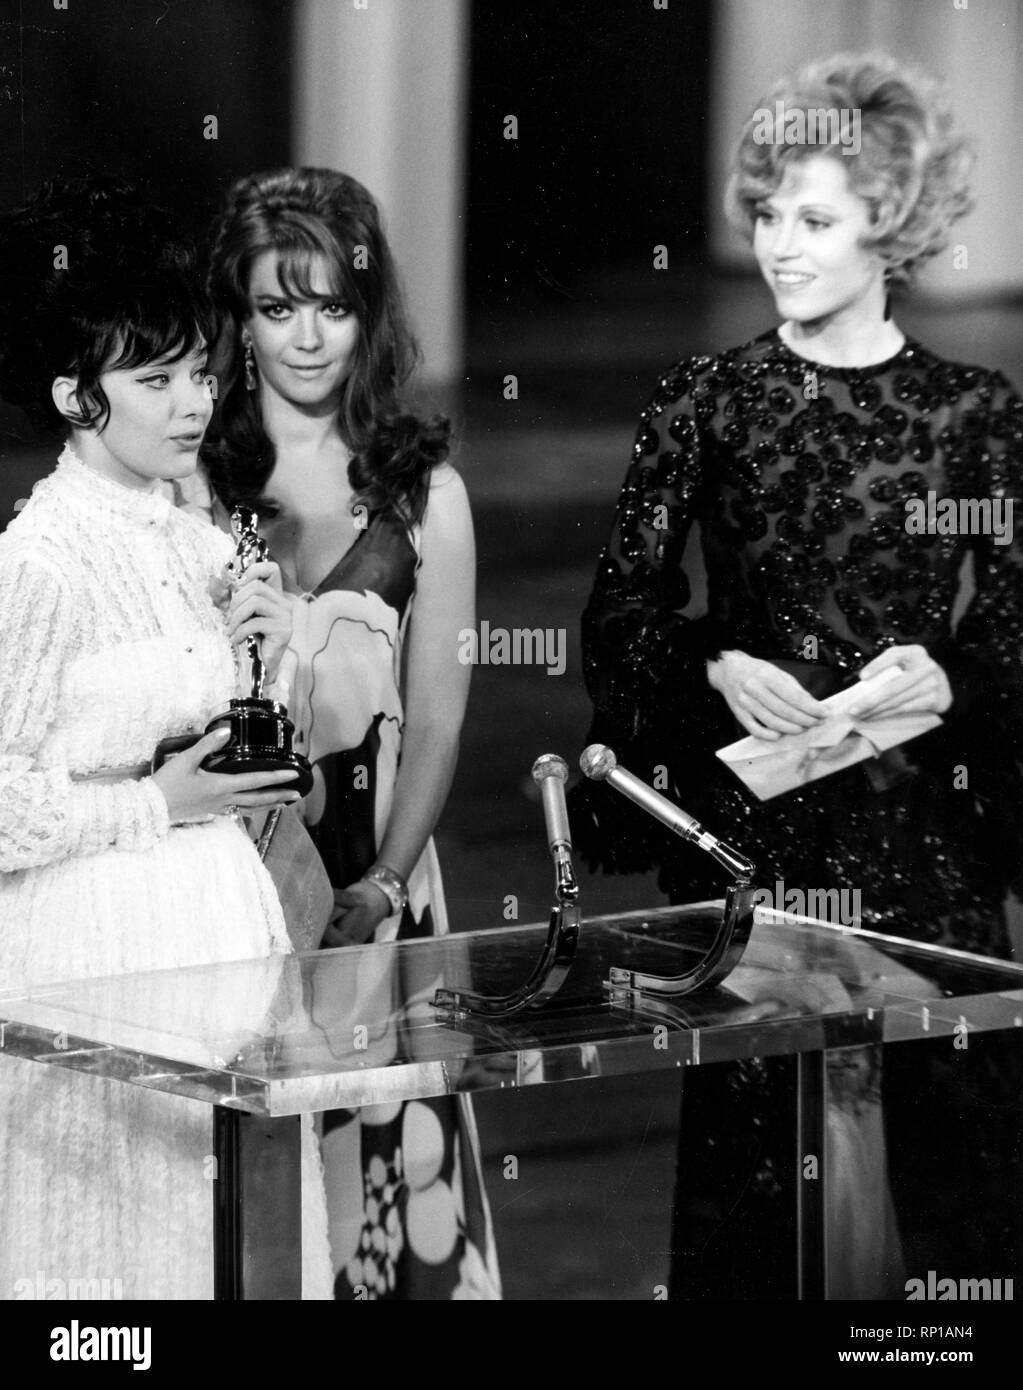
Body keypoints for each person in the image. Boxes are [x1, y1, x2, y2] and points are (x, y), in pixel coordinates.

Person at [574, 53, 1023, 1297]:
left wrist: (956, 681)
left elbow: (1018, 630)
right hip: (769, 846)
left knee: (945, 1190)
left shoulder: (972, 414)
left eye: (813, 218)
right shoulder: (707, 402)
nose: (779, 242)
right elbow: (618, 614)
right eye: (766, 214)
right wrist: (716, 660)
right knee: (767, 1187)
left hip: (926, 845)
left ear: (892, 220)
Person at [0, 177, 332, 1300]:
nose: (193, 403)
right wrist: (159, 805)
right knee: (110, 1263)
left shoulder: (194, 537)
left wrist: (271, 650)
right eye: (156, 380)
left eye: (201, 372)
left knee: (214, 1243)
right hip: (91, 947)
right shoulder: (39, 562)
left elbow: (261, 755)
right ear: (74, 395)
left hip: (218, 923)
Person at [200, 167, 501, 1299]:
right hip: (231, 893)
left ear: (368, 314)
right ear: (237, 318)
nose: (308, 336)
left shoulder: (428, 496)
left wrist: (378, 883)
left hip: (381, 895)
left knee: (390, 1196)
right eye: (278, 308)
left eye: (332, 304)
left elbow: (440, 722)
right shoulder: (195, 484)